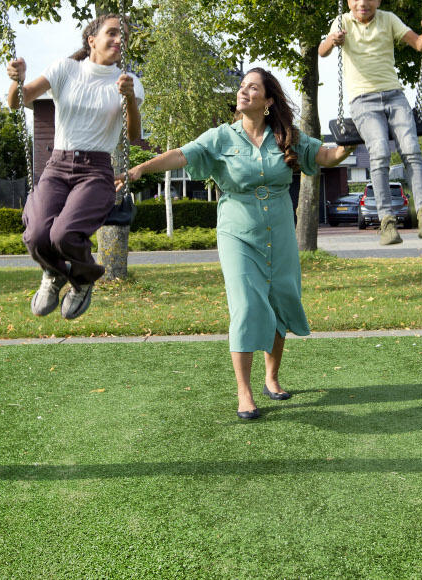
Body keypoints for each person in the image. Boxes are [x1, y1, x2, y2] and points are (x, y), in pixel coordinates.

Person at [121, 67, 352, 421]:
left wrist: (352, 142)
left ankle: (271, 378)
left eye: (253, 88)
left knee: (280, 300)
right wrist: (141, 169)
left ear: (269, 100)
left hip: (280, 232)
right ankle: (244, 393)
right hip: (237, 232)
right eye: (242, 87)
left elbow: (326, 157)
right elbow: (181, 155)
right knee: (246, 305)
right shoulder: (220, 137)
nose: (244, 92)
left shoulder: (287, 136)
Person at [7, 13, 144, 320]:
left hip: (95, 170)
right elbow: (18, 102)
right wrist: (16, 80)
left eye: (123, 35)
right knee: (37, 235)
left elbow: (133, 135)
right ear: (91, 40)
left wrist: (130, 99)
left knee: (64, 234)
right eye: (112, 33)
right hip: (58, 164)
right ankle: (54, 274)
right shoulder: (65, 69)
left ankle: (81, 281)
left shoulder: (129, 82)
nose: (119, 40)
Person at [318, 0, 422, 246]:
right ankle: (387, 222)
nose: (362, 3)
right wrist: (333, 40)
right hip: (363, 101)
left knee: (411, 149)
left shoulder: (388, 19)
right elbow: (322, 51)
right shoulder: (341, 22)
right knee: (378, 153)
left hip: (394, 96)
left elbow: (418, 44)